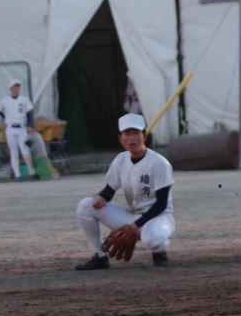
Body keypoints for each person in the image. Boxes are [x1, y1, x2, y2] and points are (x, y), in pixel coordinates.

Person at [74, 113, 175, 270]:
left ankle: (160, 255)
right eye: (127, 134)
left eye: (136, 133)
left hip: (158, 217)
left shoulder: (159, 163)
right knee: (86, 205)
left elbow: (161, 204)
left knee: (153, 239)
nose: (132, 138)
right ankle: (99, 257)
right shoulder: (121, 160)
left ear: (145, 136)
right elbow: (109, 191)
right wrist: (100, 197)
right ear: (121, 139)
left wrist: (134, 226)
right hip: (133, 216)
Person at [0, 80, 36, 179]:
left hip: (22, 127)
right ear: (11, 89)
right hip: (10, 128)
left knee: (25, 149)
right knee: (14, 151)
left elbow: (30, 113)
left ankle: (31, 171)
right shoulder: (5, 101)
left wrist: (30, 125)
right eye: (15, 87)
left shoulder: (24, 99)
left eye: (18, 87)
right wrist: (6, 119)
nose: (16, 89)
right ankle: (17, 174)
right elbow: (0, 111)